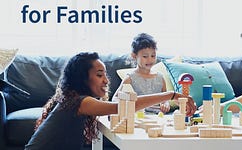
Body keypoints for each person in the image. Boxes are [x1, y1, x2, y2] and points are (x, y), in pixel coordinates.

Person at [25, 52, 196, 150]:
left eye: (105, 75)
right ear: (82, 78)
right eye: (99, 75)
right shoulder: (81, 102)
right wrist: (171, 94)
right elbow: (126, 106)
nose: (106, 80)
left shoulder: (75, 100)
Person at [112, 33, 170, 114]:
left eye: (153, 56)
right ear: (134, 56)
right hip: (139, 116)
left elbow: (165, 98)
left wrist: (166, 104)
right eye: (145, 56)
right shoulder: (130, 78)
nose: (150, 60)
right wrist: (128, 105)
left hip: (159, 117)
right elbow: (115, 98)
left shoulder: (160, 77)